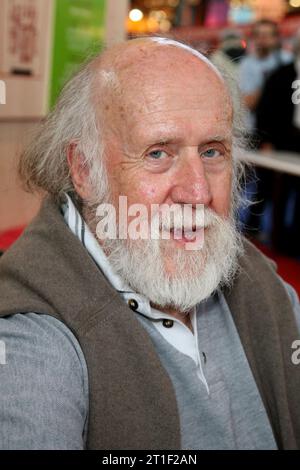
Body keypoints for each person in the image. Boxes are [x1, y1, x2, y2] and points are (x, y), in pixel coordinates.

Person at [0, 37, 299, 450]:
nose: (197, 192)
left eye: (212, 152)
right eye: (158, 153)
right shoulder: (32, 341)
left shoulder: (257, 281)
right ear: (84, 169)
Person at [239, 19, 293, 135]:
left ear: (276, 38)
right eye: (258, 34)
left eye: (267, 35)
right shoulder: (247, 64)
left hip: (283, 129)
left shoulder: (287, 60)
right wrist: (270, 82)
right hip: (255, 130)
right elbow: (248, 103)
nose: (262, 39)